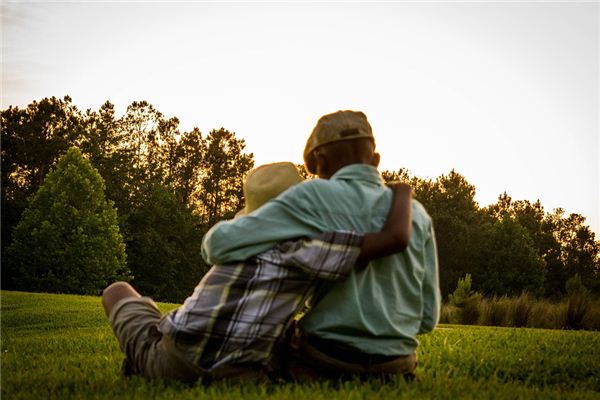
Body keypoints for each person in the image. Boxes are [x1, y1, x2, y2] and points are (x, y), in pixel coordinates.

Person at [102, 161, 413, 384]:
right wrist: (400, 191)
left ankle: (144, 356)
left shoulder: (237, 244)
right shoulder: (311, 248)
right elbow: (394, 238)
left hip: (172, 361)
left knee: (116, 291)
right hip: (242, 375)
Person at [201, 110, 440, 381]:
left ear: (320, 160)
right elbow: (427, 318)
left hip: (324, 362)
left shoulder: (312, 196)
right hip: (397, 367)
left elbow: (216, 245)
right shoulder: (417, 214)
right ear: (375, 160)